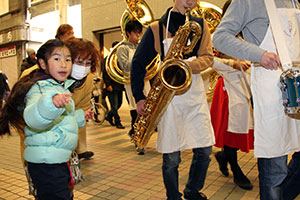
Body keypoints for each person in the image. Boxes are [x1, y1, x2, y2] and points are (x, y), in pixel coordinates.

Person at [212, 0, 300, 199]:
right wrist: (259, 55)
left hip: (296, 86)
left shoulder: (293, 1)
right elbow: (219, 37)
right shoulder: (248, 1)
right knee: (275, 168)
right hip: (271, 91)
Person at [131, 0, 215, 199]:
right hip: (167, 99)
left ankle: (192, 190)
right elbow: (138, 63)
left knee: (204, 150)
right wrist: (139, 97)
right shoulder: (156, 28)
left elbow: (208, 57)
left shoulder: (201, 24)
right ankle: (172, 195)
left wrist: (186, 66)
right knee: (172, 158)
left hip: (195, 94)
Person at [0, 39, 92, 199]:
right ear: (42, 63)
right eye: (57, 59)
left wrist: (79, 116)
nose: (64, 64)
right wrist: (51, 103)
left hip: (56, 159)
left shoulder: (58, 86)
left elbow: (62, 119)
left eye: (68, 59)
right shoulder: (40, 88)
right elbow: (33, 118)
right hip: (46, 162)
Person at [210, 0, 254, 191]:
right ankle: (235, 169)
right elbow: (209, 60)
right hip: (229, 87)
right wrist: (232, 64)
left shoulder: (243, 36)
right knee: (231, 130)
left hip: (245, 86)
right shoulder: (216, 36)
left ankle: (223, 156)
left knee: (243, 127)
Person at [117, 20, 151, 154]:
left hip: (145, 80)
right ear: (128, 33)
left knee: (147, 110)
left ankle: (138, 135)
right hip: (131, 82)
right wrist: (140, 60)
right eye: (135, 33)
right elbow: (125, 65)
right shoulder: (122, 48)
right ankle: (138, 141)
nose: (138, 35)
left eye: (140, 32)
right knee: (135, 111)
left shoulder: (141, 46)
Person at [67, 37, 100, 160]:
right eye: (79, 62)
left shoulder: (88, 79)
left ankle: (79, 150)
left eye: (88, 63)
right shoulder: (49, 77)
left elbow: (82, 110)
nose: (83, 68)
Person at [102, 41, 125, 128]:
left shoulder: (120, 58)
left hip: (119, 85)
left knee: (119, 104)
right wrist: (108, 85)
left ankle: (109, 115)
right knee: (114, 105)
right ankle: (117, 121)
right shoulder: (107, 59)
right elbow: (105, 73)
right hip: (111, 86)